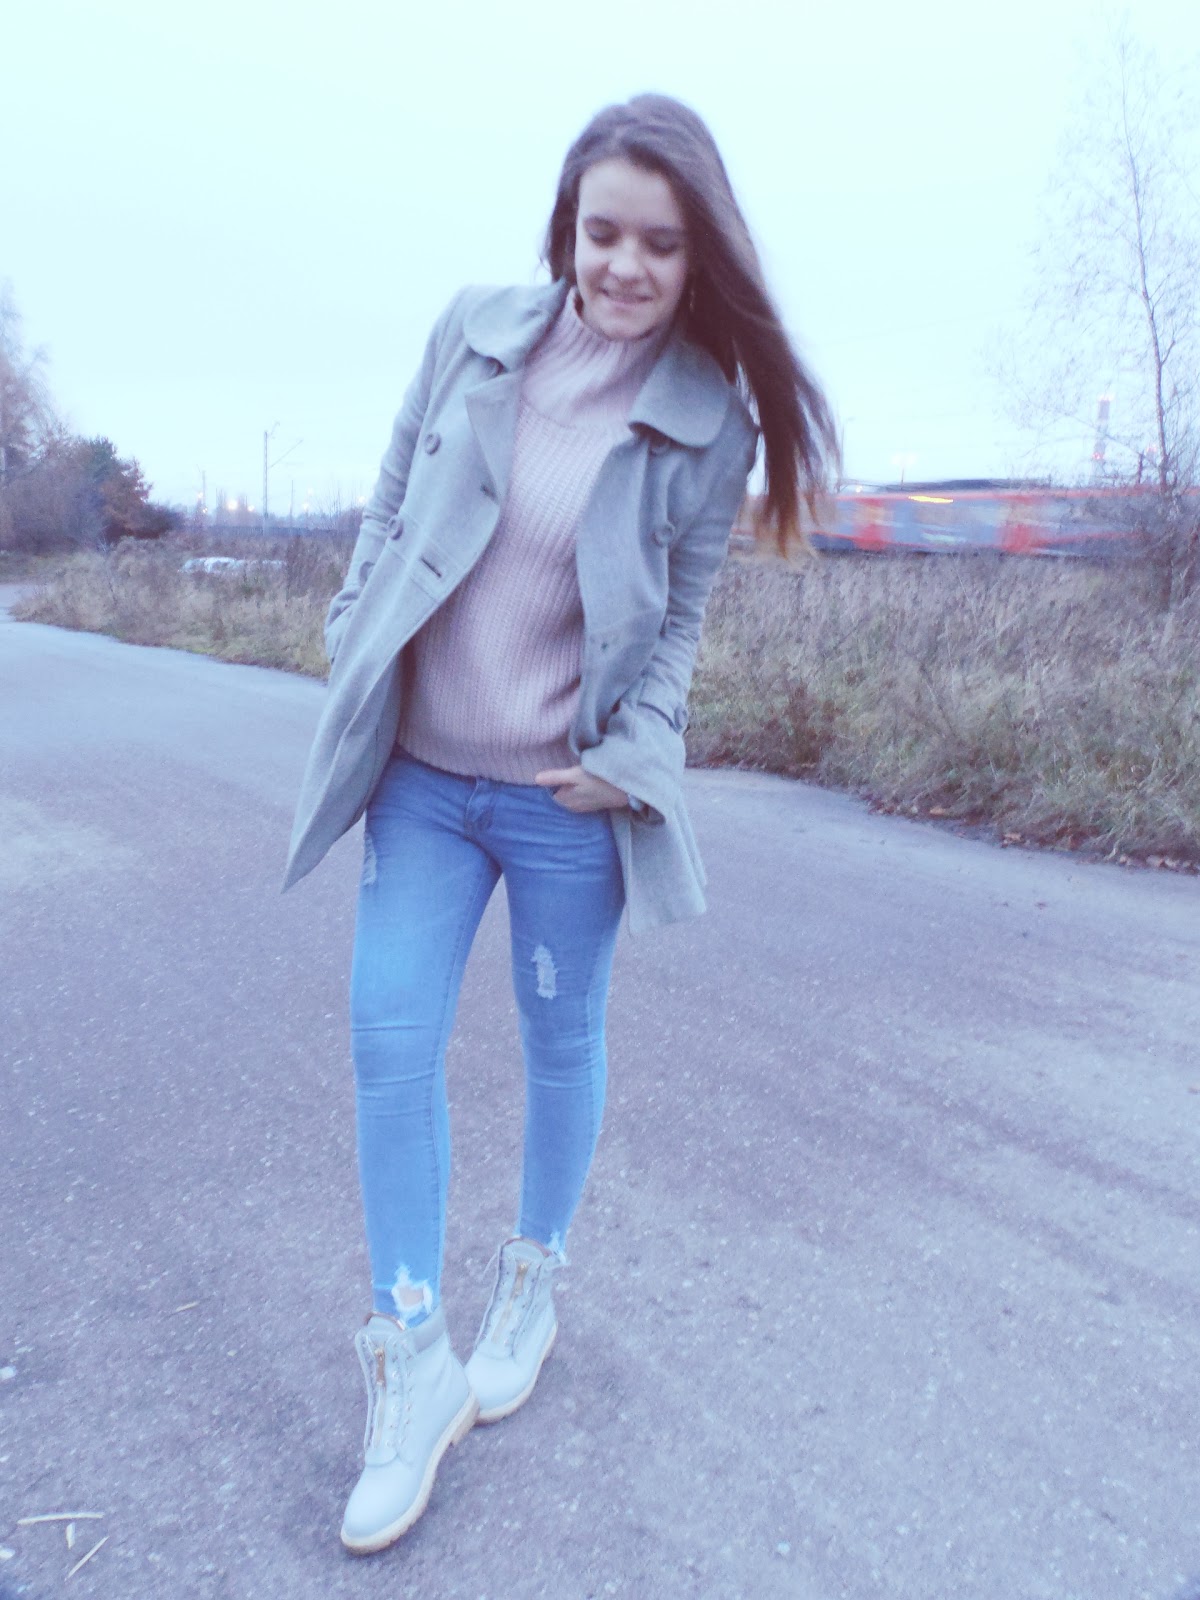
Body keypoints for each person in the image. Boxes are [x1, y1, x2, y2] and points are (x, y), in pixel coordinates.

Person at [283, 91, 836, 1555]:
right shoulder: (472, 335)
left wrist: (638, 755)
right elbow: (388, 505)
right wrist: (351, 631)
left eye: (660, 242)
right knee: (387, 1038)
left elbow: (680, 626)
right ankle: (414, 1358)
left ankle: (530, 1280)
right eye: (603, 232)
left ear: (699, 253)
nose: (625, 265)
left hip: (558, 803)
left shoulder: (707, 424)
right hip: (420, 782)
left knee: (558, 1040)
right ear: (566, 229)